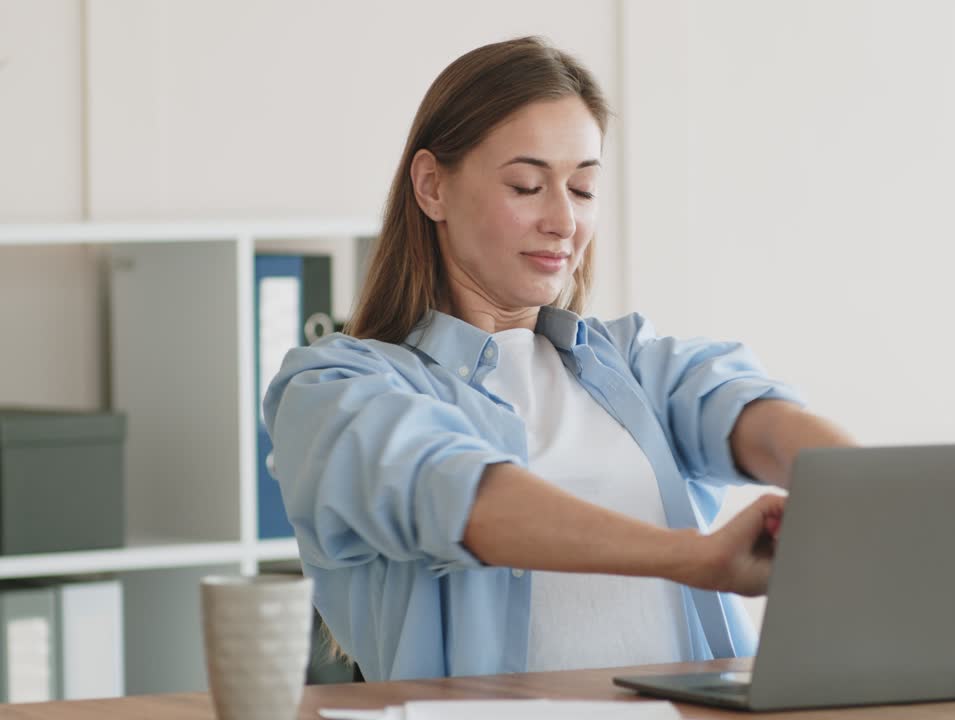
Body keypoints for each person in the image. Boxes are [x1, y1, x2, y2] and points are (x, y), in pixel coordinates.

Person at [263, 36, 855, 682]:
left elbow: (748, 411)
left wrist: (855, 488)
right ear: (432, 187)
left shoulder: (631, 364)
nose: (563, 221)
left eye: (583, 188)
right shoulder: (334, 390)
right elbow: (457, 495)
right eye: (527, 185)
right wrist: (691, 558)